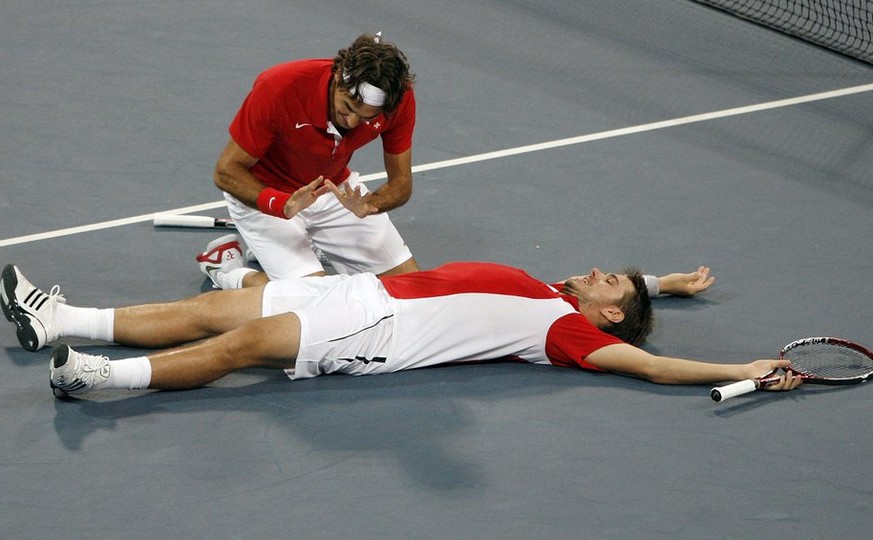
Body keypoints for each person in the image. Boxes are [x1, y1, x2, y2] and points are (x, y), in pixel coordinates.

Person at [1, 262, 801, 399]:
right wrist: (665, 283)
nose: (592, 272)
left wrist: (741, 365)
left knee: (238, 349)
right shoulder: (555, 292)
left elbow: (654, 367)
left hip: (378, 332)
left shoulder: (572, 333)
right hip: (358, 289)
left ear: (609, 314)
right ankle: (62, 322)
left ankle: (95, 378)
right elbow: (632, 294)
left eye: (609, 282)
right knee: (214, 309)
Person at [199, 32, 420, 291]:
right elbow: (225, 172)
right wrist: (281, 205)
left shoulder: (398, 100)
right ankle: (228, 270)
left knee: (409, 290)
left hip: (331, 189)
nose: (351, 122)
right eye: (347, 108)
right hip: (266, 194)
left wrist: (371, 203)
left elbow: (402, 182)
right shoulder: (280, 87)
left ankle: (306, 242)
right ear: (338, 78)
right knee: (315, 302)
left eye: (365, 118)